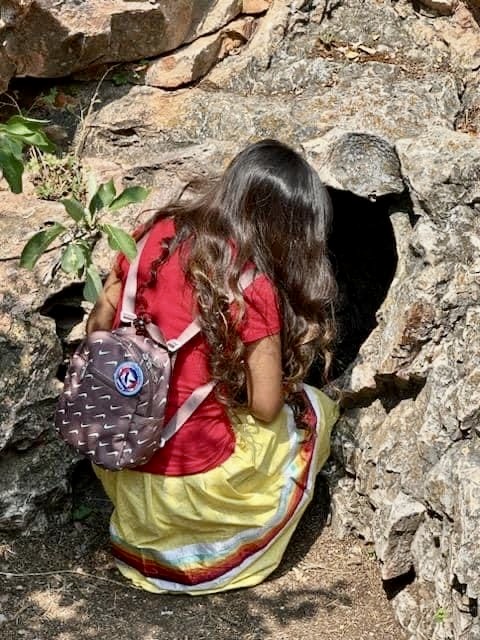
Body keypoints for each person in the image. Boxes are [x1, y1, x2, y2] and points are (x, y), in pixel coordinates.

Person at [87, 138, 339, 595]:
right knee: (313, 409)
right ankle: (219, 547)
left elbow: (99, 324)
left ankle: (144, 537)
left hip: (123, 451)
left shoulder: (151, 234)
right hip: (194, 493)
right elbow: (264, 406)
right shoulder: (249, 283)